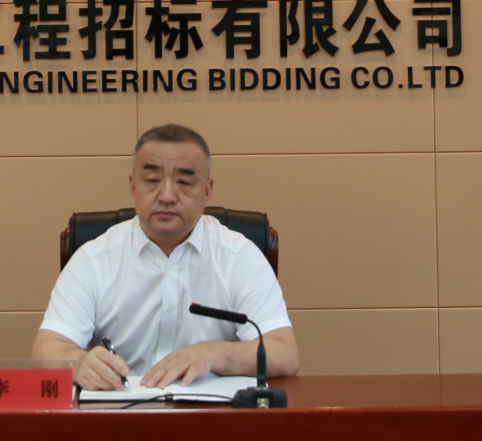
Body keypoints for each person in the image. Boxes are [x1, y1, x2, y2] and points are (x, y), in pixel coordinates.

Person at [31, 123, 299, 390]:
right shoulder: (94, 259)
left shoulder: (238, 257)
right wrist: (79, 362)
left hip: (213, 412)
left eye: (184, 182)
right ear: (133, 186)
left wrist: (214, 354)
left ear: (207, 191)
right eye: (152, 181)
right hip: (118, 409)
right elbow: (47, 349)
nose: (167, 196)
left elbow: (284, 353)